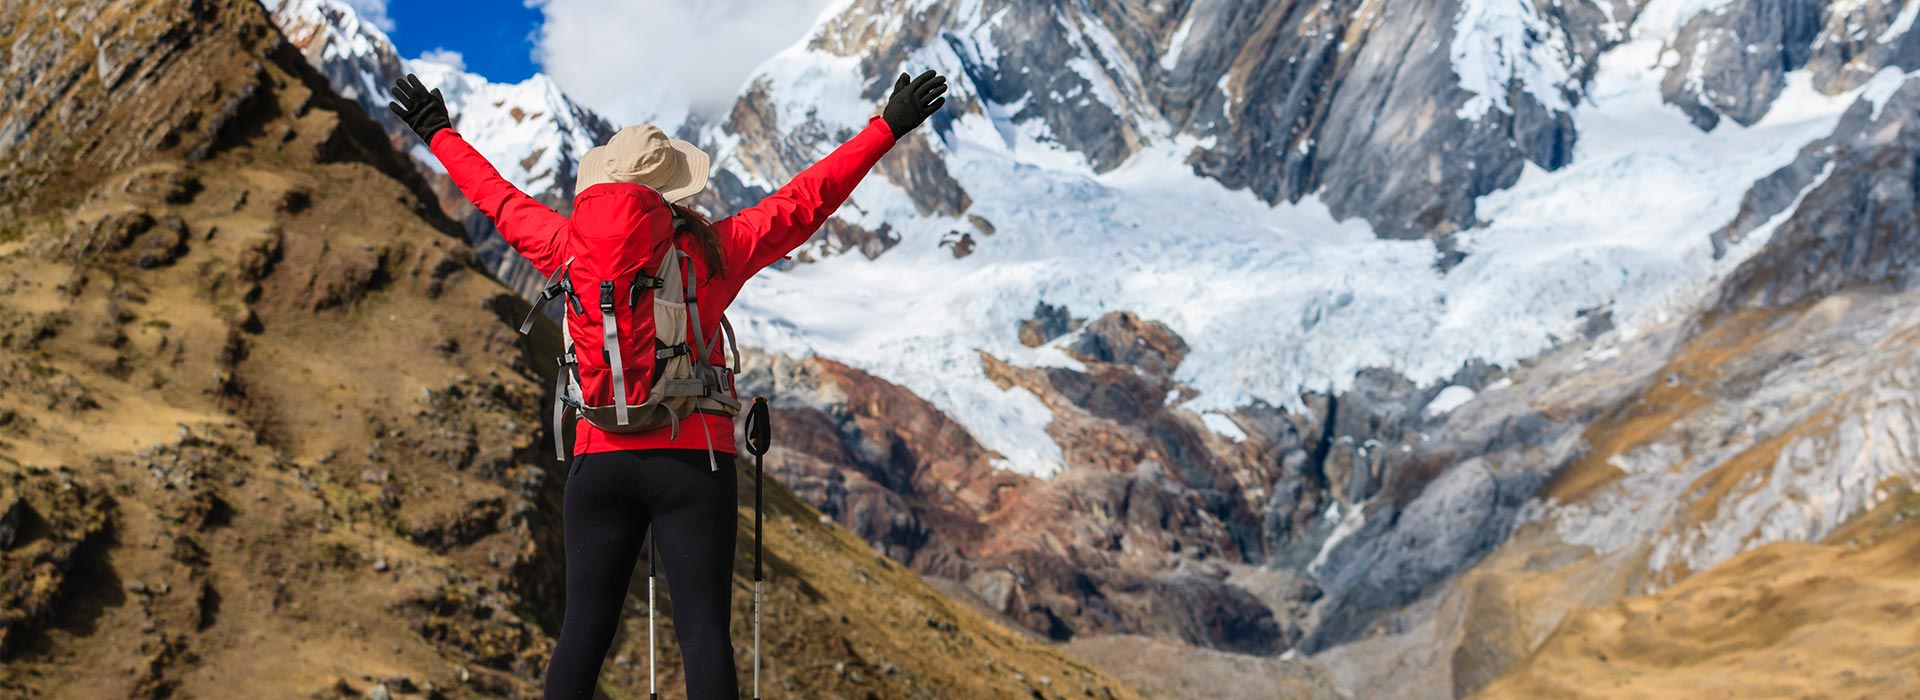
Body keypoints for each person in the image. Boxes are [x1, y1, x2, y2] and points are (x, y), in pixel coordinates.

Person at [387, 69, 948, 699]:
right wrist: (886, 129)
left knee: (582, 635)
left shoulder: (565, 246)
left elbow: (496, 197)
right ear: (668, 192)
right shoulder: (713, 251)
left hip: (597, 462)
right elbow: (804, 201)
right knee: (703, 632)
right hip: (692, 461)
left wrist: (437, 132)